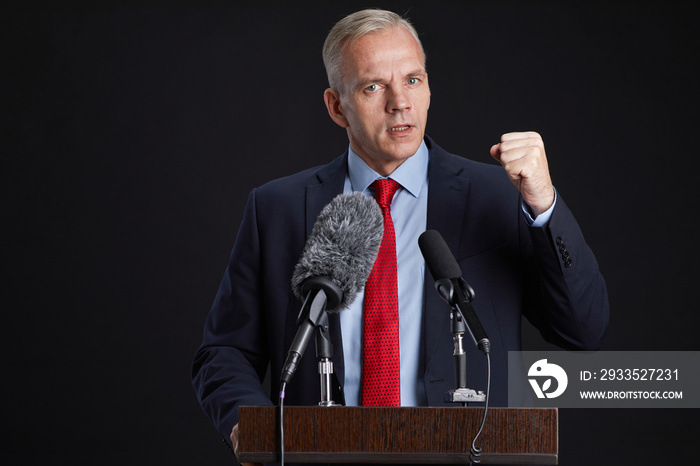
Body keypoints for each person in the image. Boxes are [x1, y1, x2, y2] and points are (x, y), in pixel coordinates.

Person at [192, 8, 609, 461]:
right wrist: (248, 427)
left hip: (462, 453)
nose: (400, 103)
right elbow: (225, 350)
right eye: (374, 86)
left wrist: (544, 204)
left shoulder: (499, 196)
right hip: (322, 455)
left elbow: (582, 330)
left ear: (428, 87)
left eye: (413, 80)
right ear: (337, 106)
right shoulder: (278, 209)